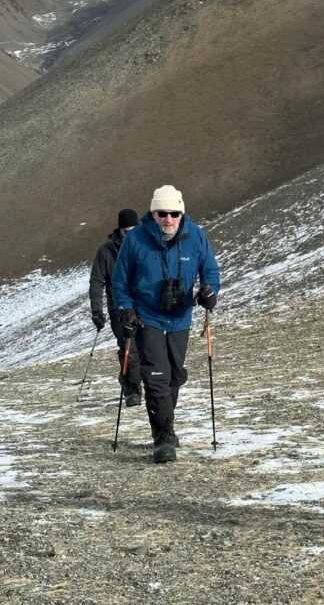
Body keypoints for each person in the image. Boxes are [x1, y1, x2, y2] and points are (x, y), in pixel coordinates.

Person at [111, 185, 220, 463]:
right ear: (153, 213)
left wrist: (210, 290)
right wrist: (125, 310)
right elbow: (120, 280)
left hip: (181, 316)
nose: (168, 219)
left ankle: (165, 422)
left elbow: (210, 270)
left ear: (181, 213)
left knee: (174, 375)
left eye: (174, 213)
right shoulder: (135, 240)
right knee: (156, 375)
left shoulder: (196, 236)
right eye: (162, 213)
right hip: (147, 316)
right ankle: (162, 438)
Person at [89, 208, 141, 405]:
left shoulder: (146, 245)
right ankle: (132, 390)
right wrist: (97, 311)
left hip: (145, 305)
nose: (131, 235)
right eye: (127, 232)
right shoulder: (106, 251)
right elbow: (96, 282)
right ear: (120, 230)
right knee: (128, 345)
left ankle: (135, 379)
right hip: (118, 308)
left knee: (147, 346)